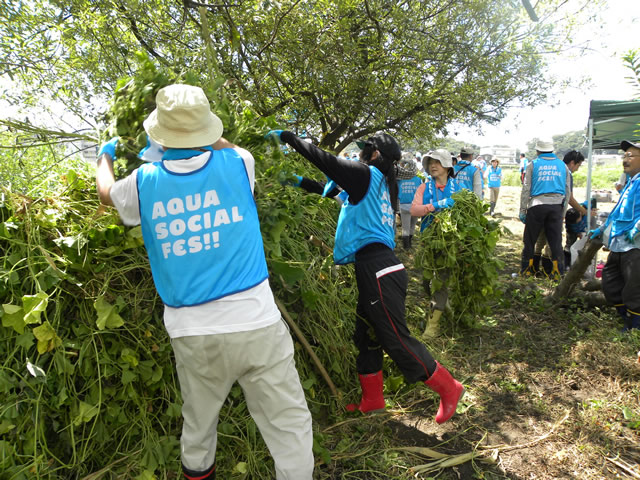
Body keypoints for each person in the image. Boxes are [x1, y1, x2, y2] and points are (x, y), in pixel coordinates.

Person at [95, 84, 314, 480]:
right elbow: (223, 145)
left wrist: (104, 157)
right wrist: (198, 131)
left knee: (198, 427)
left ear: (157, 136)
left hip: (193, 334)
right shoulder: (239, 163)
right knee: (289, 426)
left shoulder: (142, 183)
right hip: (257, 324)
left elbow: (106, 194)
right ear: (207, 130)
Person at [268, 129, 464, 424]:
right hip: (376, 267)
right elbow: (331, 189)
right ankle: (372, 400)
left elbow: (327, 162)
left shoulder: (367, 174)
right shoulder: (379, 184)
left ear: (374, 154)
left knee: (395, 338)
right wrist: (299, 182)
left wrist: (289, 137)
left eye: (365, 149)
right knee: (366, 335)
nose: (360, 153)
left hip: (379, 268)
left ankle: (449, 387)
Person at [590, 140, 640, 332]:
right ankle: (624, 318)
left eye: (630, 156)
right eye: (624, 155)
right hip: (619, 242)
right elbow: (617, 211)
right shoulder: (630, 182)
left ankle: (634, 327)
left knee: (634, 287)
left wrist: (637, 227)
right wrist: (602, 229)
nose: (625, 159)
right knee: (610, 282)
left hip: (635, 244)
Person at [410, 149, 459, 338]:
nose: (432, 165)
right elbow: (414, 210)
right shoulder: (424, 187)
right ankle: (442, 304)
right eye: (430, 162)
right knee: (426, 280)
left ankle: (433, 326)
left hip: (449, 244)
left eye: (437, 162)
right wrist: (436, 205)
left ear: (447, 166)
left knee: (441, 281)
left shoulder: (459, 189)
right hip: (428, 242)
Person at [519, 139, 571, 279]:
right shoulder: (562, 165)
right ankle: (557, 273)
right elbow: (567, 190)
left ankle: (527, 271)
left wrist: (523, 210)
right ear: (552, 150)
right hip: (556, 206)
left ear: (538, 151)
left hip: (537, 205)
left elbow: (526, 188)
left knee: (530, 240)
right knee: (555, 242)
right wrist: (563, 211)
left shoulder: (533, 164)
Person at [397, 153, 423, 249]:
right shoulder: (419, 180)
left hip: (404, 205)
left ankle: (406, 246)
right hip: (415, 205)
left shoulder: (400, 179)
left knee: (405, 226)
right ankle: (410, 243)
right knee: (412, 225)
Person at [564, 198, 597, 267]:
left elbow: (593, 200)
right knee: (569, 246)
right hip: (573, 232)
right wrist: (577, 233)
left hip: (585, 230)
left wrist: (593, 208)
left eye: (578, 221)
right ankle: (567, 264)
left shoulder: (585, 207)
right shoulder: (570, 221)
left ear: (580, 213)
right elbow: (570, 231)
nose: (577, 223)